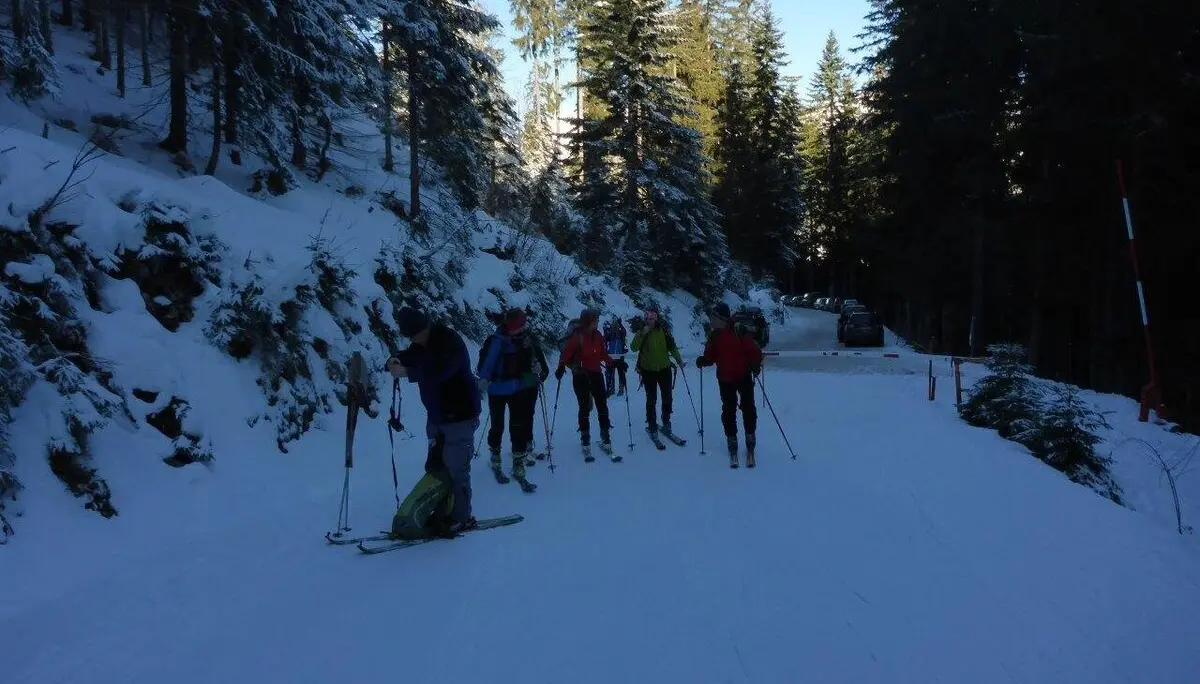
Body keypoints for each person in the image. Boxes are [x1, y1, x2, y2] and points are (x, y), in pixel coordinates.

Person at [386, 306, 481, 533]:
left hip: (461, 416)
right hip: (437, 416)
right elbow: (412, 356)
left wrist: (408, 372)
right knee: (437, 466)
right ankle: (441, 510)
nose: (413, 340)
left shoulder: (450, 341)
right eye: (410, 337)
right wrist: (395, 359)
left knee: (457, 468)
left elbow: (441, 370)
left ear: (425, 326)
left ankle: (461, 517)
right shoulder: (421, 343)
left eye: (415, 335)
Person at [476, 308, 548, 482]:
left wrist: (536, 369)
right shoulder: (497, 341)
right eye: (519, 326)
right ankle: (495, 458)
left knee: (518, 426)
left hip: (517, 389)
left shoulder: (524, 340)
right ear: (510, 325)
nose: (522, 329)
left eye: (523, 326)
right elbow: (486, 365)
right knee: (497, 426)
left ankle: (518, 461)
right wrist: (484, 379)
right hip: (497, 390)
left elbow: (529, 363)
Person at [696, 302, 763, 468]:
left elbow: (754, 350)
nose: (711, 320)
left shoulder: (738, 330)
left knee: (748, 408)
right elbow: (711, 355)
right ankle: (731, 440)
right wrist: (704, 360)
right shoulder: (714, 336)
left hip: (743, 376)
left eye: (714, 317)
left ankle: (750, 438)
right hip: (725, 379)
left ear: (722, 318)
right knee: (728, 410)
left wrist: (755, 364)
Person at [555, 307, 615, 453]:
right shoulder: (578, 336)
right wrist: (561, 367)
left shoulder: (598, 335)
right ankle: (585, 437)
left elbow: (603, 354)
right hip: (581, 375)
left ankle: (605, 434)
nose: (598, 322)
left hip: (596, 374)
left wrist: (614, 362)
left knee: (602, 404)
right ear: (589, 321)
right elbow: (566, 353)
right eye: (596, 320)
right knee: (584, 406)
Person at [630, 306, 685, 436]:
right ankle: (651, 423)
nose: (650, 320)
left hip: (664, 369)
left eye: (653, 317)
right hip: (648, 371)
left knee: (667, 397)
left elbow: (672, 346)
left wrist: (679, 360)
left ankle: (666, 421)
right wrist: (642, 333)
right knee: (651, 398)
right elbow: (633, 348)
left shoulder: (664, 330)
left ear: (656, 318)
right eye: (648, 317)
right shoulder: (642, 331)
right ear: (645, 318)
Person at [603, 317, 629, 397]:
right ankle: (611, 388)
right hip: (610, 356)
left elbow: (624, 332)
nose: (615, 326)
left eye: (616, 325)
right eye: (613, 325)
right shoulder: (610, 334)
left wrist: (620, 324)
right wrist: (606, 329)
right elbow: (605, 336)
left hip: (619, 357)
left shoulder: (621, 334)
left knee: (620, 373)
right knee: (610, 373)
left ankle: (620, 389)